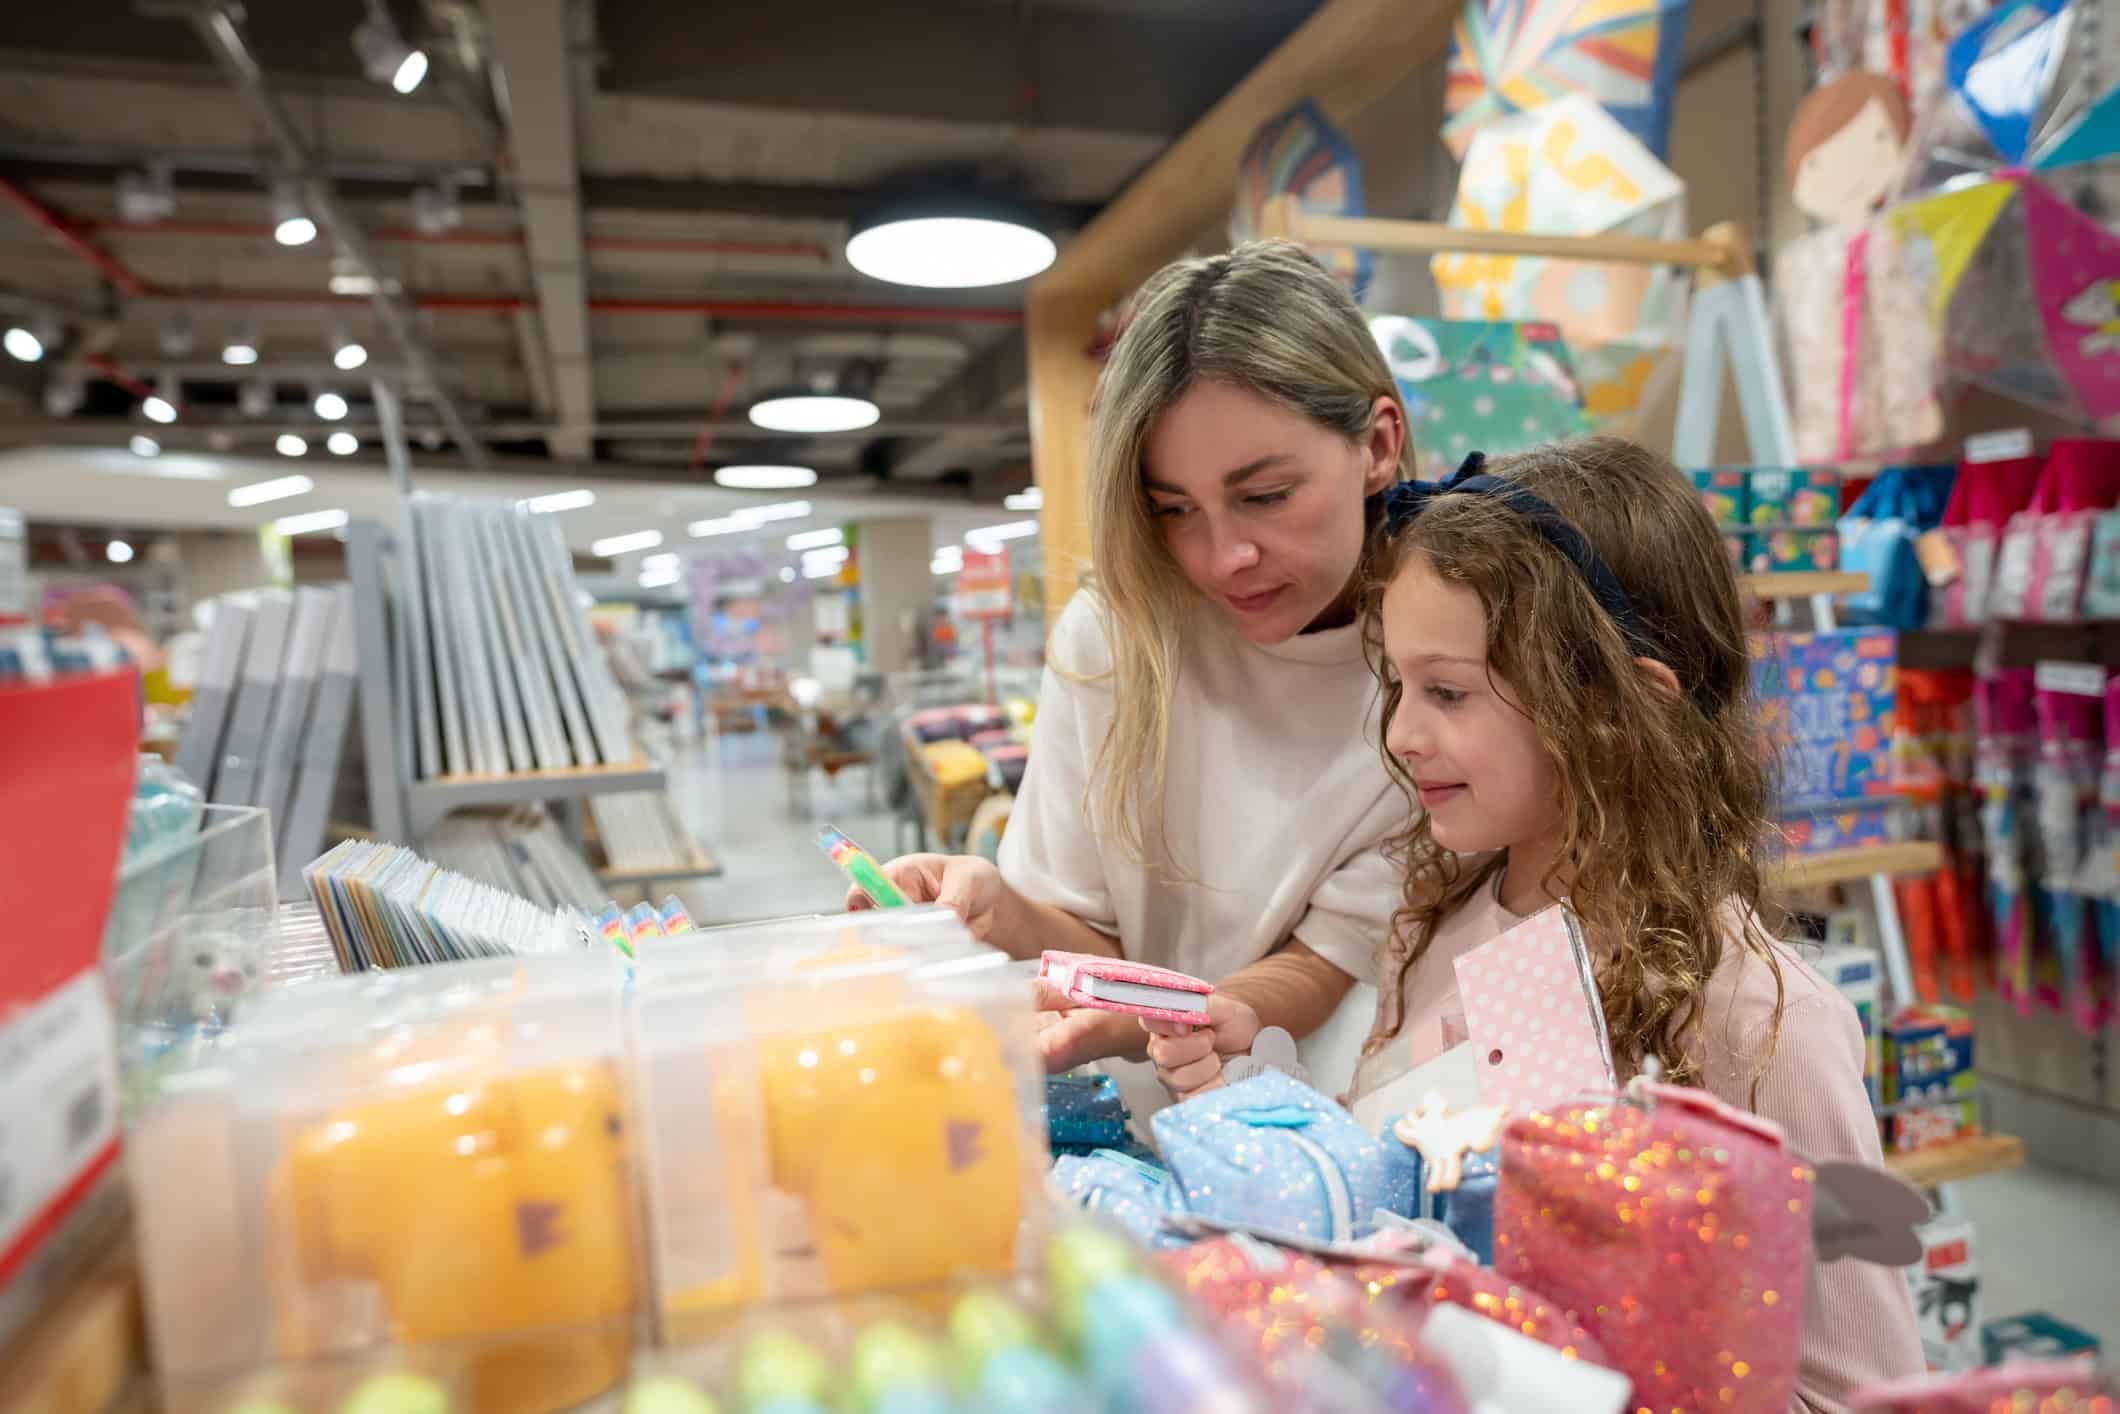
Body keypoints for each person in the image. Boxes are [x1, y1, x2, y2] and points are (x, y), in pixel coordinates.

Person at [1148, 438, 1924, 1406]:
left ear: (1615, 708)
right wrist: (1255, 1127)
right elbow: (1395, 1204)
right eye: (1397, 684)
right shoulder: (1424, 930)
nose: (1398, 732)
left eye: (1447, 691)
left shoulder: (1762, 1022)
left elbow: (1864, 1392)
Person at [853, 241, 1410, 1080]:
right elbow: (1086, 938)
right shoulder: (1116, 636)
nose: (1225, 557)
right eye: (1174, 509)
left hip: (1341, 1130)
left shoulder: (1439, 666)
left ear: (1377, 444)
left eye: (1265, 497)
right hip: (1146, 1139)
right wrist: (993, 907)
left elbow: (1327, 959)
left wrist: (1188, 1015)